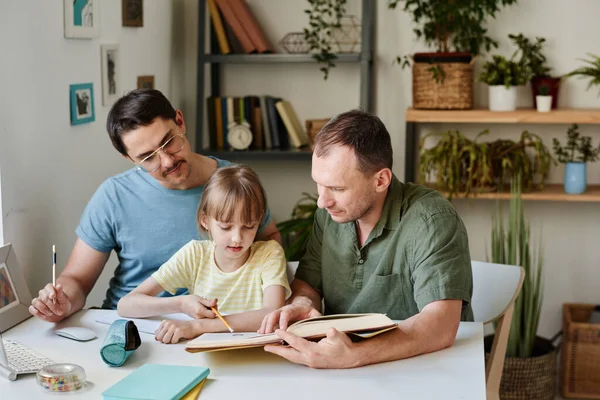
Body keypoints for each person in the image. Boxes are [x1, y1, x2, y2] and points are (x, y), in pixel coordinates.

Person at [29, 89, 281, 323]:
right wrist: (61, 303)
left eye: (169, 142)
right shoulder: (114, 195)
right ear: (129, 158)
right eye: (148, 158)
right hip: (133, 323)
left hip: (215, 324)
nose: (168, 161)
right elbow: (76, 280)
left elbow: (269, 242)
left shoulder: (234, 183)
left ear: (180, 121)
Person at [258, 109, 473, 369]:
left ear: (381, 180)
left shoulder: (432, 220)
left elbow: (441, 324)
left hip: (423, 369)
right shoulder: (328, 215)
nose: (322, 201)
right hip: (339, 368)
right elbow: (309, 285)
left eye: (337, 188)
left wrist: (356, 355)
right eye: (319, 184)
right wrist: (303, 303)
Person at [117, 165, 291, 344]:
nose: (237, 238)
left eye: (249, 226)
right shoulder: (195, 255)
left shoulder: (269, 253)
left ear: (260, 220)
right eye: (225, 227)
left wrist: (197, 327)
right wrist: (180, 304)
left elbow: (273, 314)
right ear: (205, 221)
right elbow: (126, 305)